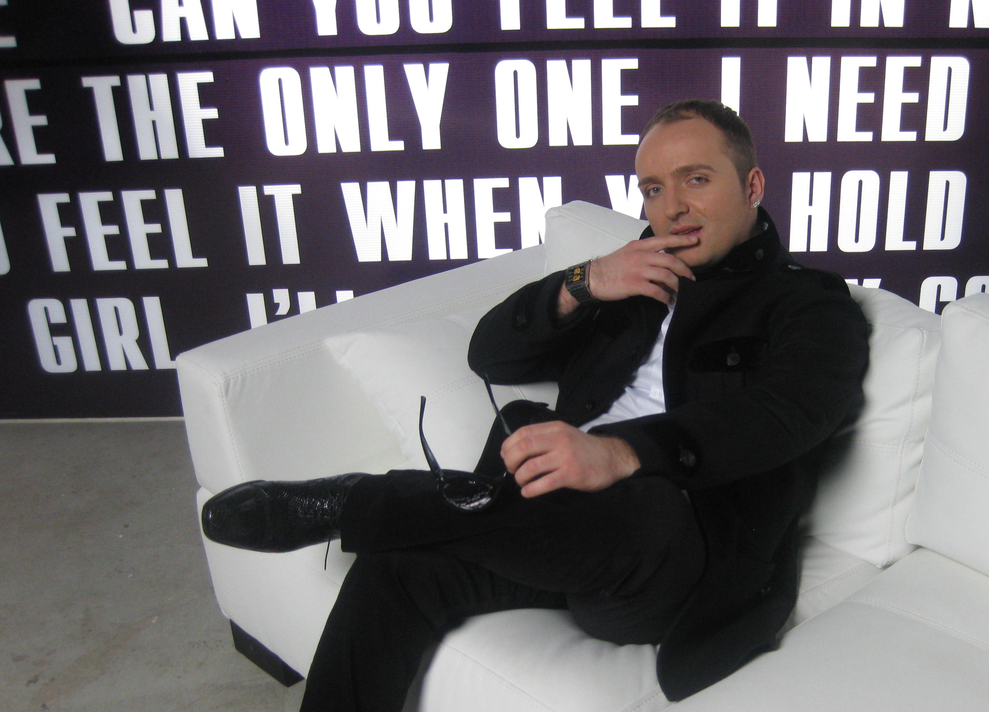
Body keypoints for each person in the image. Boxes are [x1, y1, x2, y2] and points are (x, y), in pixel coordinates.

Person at [201, 99, 870, 711]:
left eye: (696, 179)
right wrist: (586, 280)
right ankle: (390, 517)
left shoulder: (809, 303)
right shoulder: (631, 278)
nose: (672, 207)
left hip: (675, 554)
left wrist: (621, 453)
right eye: (653, 189)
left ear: (752, 186)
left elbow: (788, 414)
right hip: (552, 529)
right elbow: (491, 355)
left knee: (648, 500)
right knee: (401, 558)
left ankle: (351, 501)